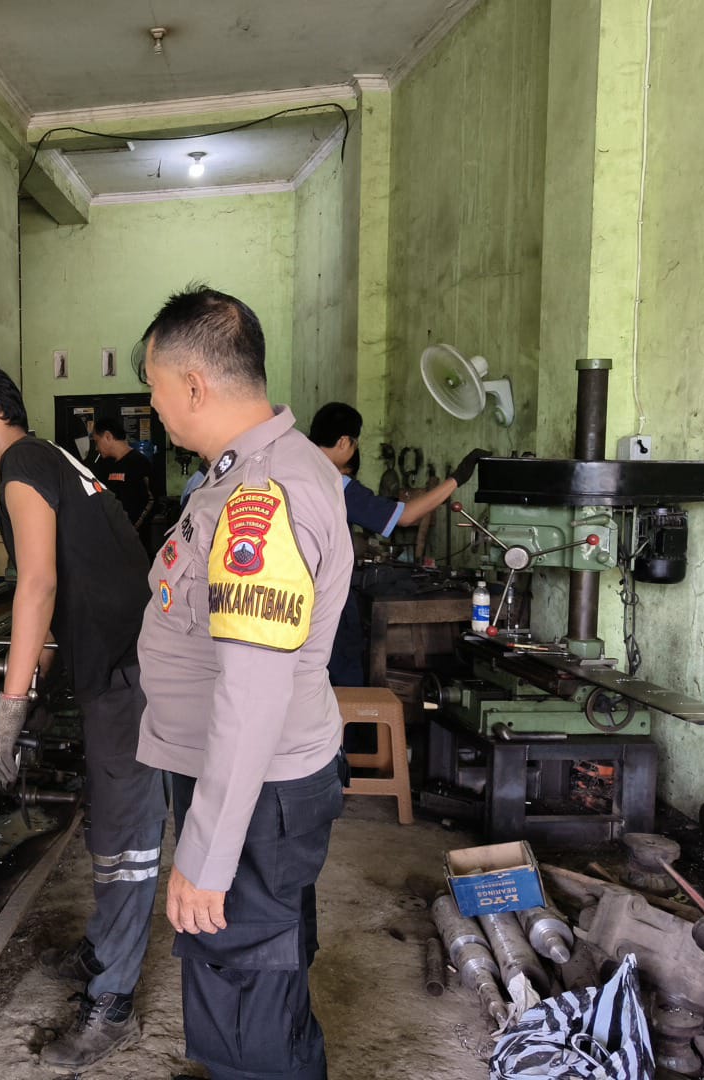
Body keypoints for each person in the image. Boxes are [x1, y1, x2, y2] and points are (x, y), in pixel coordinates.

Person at [133, 286, 353, 1080]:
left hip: (252, 794)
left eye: (156, 387)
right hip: (257, 783)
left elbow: (253, 693)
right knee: (268, 977)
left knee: (245, 1000)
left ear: (194, 384)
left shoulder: (264, 496)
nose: (154, 406)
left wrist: (206, 854)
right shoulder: (247, 474)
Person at [0, 360, 167, 1070]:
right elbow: (67, 583)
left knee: (127, 836)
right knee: (109, 817)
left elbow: (36, 584)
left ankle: (113, 1003)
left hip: (128, 672)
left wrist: (9, 710)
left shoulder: (23, 464)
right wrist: (35, 671)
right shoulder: (53, 459)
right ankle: (103, 949)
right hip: (118, 661)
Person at [307, 402, 487, 685]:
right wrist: (457, 479)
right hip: (326, 601)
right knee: (343, 682)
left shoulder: (290, 470)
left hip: (288, 598)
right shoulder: (334, 483)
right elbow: (406, 516)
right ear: (343, 442)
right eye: (355, 443)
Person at [91, 415, 156, 541]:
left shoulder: (139, 463)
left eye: (97, 441)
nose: (96, 448)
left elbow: (151, 501)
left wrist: (130, 531)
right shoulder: (105, 465)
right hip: (113, 538)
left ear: (108, 436)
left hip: (135, 540)